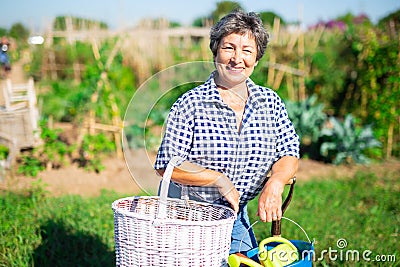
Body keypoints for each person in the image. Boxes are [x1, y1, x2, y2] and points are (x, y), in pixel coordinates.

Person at [154, 10, 299, 254]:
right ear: (215, 51)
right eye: (228, 48)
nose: (237, 58)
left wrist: (276, 181)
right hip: (189, 214)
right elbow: (166, 165)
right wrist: (218, 179)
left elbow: (289, 152)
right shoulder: (191, 103)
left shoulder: (270, 101)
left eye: (247, 50)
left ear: (257, 58)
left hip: (235, 214)